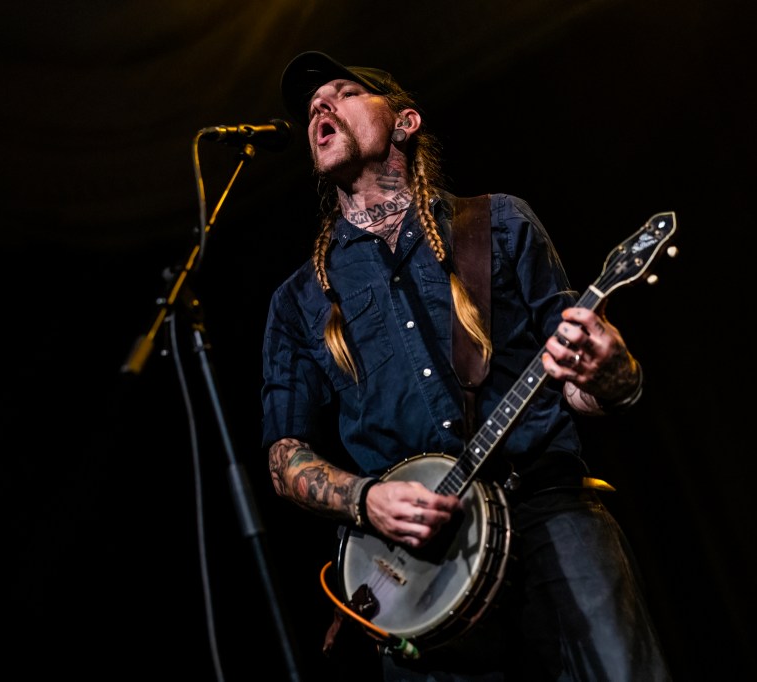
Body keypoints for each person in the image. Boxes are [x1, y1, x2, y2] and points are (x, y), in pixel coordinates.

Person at [260, 51, 673, 681]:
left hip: (544, 509)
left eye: (344, 92)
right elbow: (284, 456)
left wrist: (609, 373)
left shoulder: (497, 223)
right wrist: (366, 499)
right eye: (314, 105)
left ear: (404, 122)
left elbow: (578, 389)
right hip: (413, 572)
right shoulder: (299, 300)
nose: (321, 105)